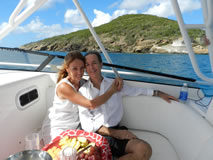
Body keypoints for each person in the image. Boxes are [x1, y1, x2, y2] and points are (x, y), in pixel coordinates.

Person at [78, 51, 179, 160]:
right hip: (97, 136)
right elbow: (87, 126)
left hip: (116, 131)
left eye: (94, 63)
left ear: (101, 64)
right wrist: (114, 133)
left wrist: (159, 93)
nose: (91, 67)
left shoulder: (115, 84)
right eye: (87, 65)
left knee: (144, 150)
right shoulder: (83, 92)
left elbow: (137, 91)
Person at [41, 51, 122, 145]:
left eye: (82, 68)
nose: (79, 72)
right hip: (60, 127)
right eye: (74, 69)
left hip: (76, 128)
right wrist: (112, 90)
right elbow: (91, 104)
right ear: (67, 69)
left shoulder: (82, 83)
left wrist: (118, 80)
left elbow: (98, 83)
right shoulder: (64, 87)